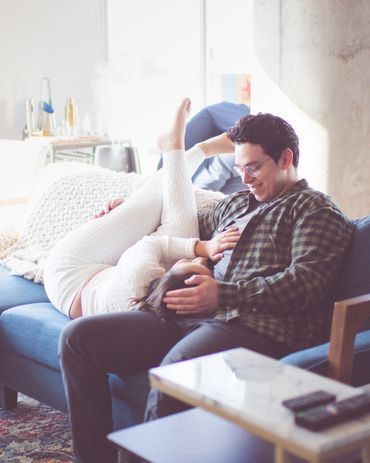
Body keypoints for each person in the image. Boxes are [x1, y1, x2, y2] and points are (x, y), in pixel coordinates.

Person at [59, 108, 354, 463]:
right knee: (78, 340)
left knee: (174, 375)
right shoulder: (234, 205)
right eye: (239, 169)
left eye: (254, 167)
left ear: (286, 158)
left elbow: (307, 283)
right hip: (186, 314)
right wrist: (129, 209)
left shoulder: (314, 210)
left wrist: (222, 294)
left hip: (249, 326)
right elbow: (180, 212)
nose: (244, 178)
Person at [43, 99, 239, 318]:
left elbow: (151, 243)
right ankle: (184, 149)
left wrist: (202, 248)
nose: (189, 260)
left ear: (167, 279)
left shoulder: (140, 276)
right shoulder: (165, 302)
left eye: (189, 264)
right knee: (182, 231)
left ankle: (189, 150)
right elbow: (183, 263)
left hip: (68, 272)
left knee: (178, 229)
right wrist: (199, 260)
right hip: (106, 276)